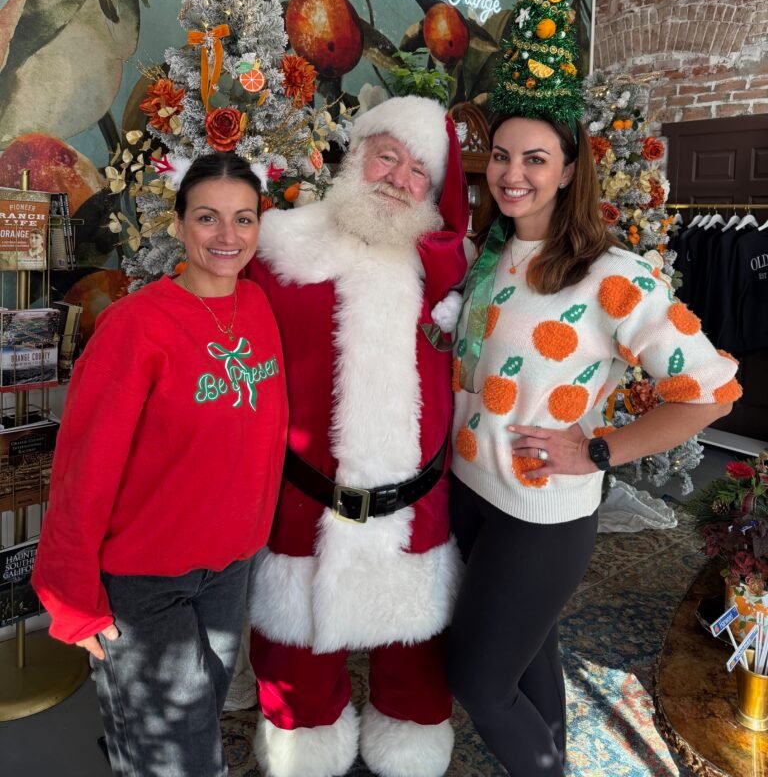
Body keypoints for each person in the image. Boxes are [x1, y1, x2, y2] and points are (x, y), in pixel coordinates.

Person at [447, 96, 742, 776]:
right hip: (470, 495)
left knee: (479, 683)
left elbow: (710, 392)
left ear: (569, 170)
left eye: (535, 159)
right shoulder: (486, 259)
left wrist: (601, 450)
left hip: (540, 518)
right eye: (500, 155)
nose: (511, 172)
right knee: (532, 655)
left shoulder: (613, 276)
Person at [33, 152, 288, 777]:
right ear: (177, 224)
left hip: (229, 569)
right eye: (207, 218)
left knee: (200, 726)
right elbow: (81, 470)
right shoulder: (134, 328)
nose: (227, 237)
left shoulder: (257, 308)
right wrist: (70, 595)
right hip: (146, 582)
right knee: (172, 760)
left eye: (243, 219)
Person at [245, 95, 469, 777]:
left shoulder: (452, 269)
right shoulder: (280, 246)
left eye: (417, 172)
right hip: (305, 505)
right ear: (358, 153)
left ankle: (407, 745)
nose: (399, 178)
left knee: (417, 670)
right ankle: (306, 746)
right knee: (298, 670)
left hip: (416, 508)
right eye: (388, 156)